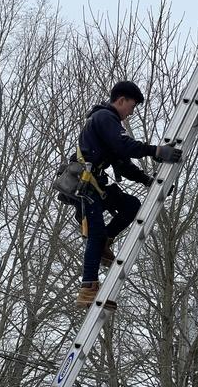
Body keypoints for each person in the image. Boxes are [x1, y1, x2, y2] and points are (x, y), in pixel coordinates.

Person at [74, 80, 182, 309]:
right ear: (121, 100)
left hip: (97, 185)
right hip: (87, 187)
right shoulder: (105, 117)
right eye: (131, 108)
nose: (129, 115)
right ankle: (87, 289)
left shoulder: (107, 124)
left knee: (131, 205)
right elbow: (124, 146)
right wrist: (156, 151)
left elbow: (123, 165)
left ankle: (105, 243)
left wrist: (148, 181)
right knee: (95, 233)